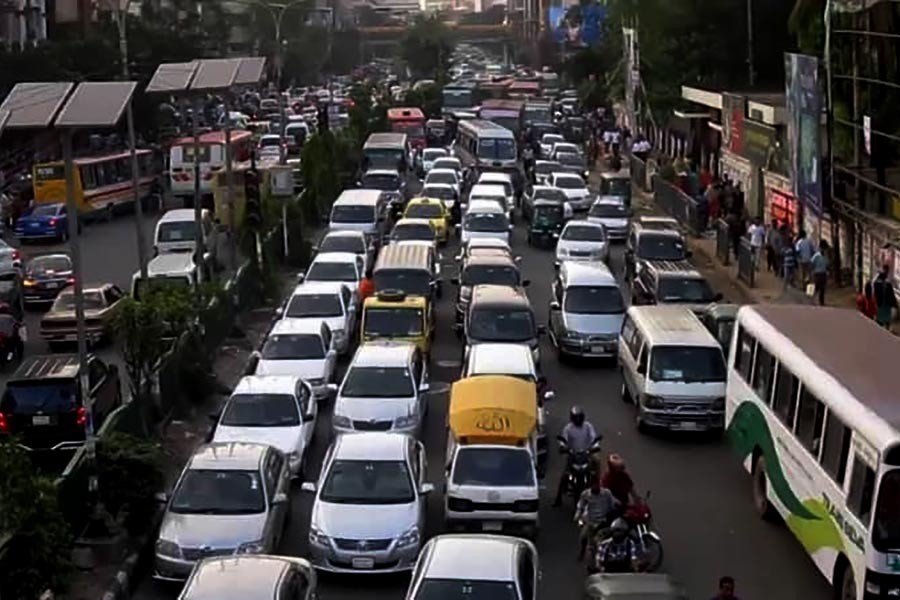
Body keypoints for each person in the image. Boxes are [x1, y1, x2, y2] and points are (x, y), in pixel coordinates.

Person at [553, 405, 599, 507]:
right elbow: (563, 441)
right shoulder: (568, 428)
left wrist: (594, 447)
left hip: (586, 454)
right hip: (573, 455)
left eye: (580, 417)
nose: (578, 420)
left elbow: (593, 438)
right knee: (565, 475)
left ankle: (598, 488)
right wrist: (564, 448)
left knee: (596, 466)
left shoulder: (588, 426)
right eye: (576, 417)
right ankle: (558, 498)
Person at [575, 478, 620, 561]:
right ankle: (582, 552)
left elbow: (613, 503)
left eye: (597, 485)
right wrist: (577, 516)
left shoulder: (606, 493)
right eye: (594, 485)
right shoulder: (585, 494)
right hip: (591, 521)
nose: (596, 487)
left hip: (603, 522)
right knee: (583, 537)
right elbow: (580, 506)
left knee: (598, 541)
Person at [873, 264, 898, 328]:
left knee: (882, 318)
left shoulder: (878, 284)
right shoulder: (887, 284)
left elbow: (875, 292)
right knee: (885, 318)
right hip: (885, 304)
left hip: (881, 304)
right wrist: (895, 304)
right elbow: (891, 295)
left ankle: (881, 328)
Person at [810, 240, 829, 306]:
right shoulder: (817, 255)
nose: (824, 250)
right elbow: (812, 262)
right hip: (817, 273)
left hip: (823, 273)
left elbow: (827, 264)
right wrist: (812, 271)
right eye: (823, 248)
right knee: (816, 287)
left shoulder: (826, 256)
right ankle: (812, 300)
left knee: (822, 288)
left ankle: (821, 301)